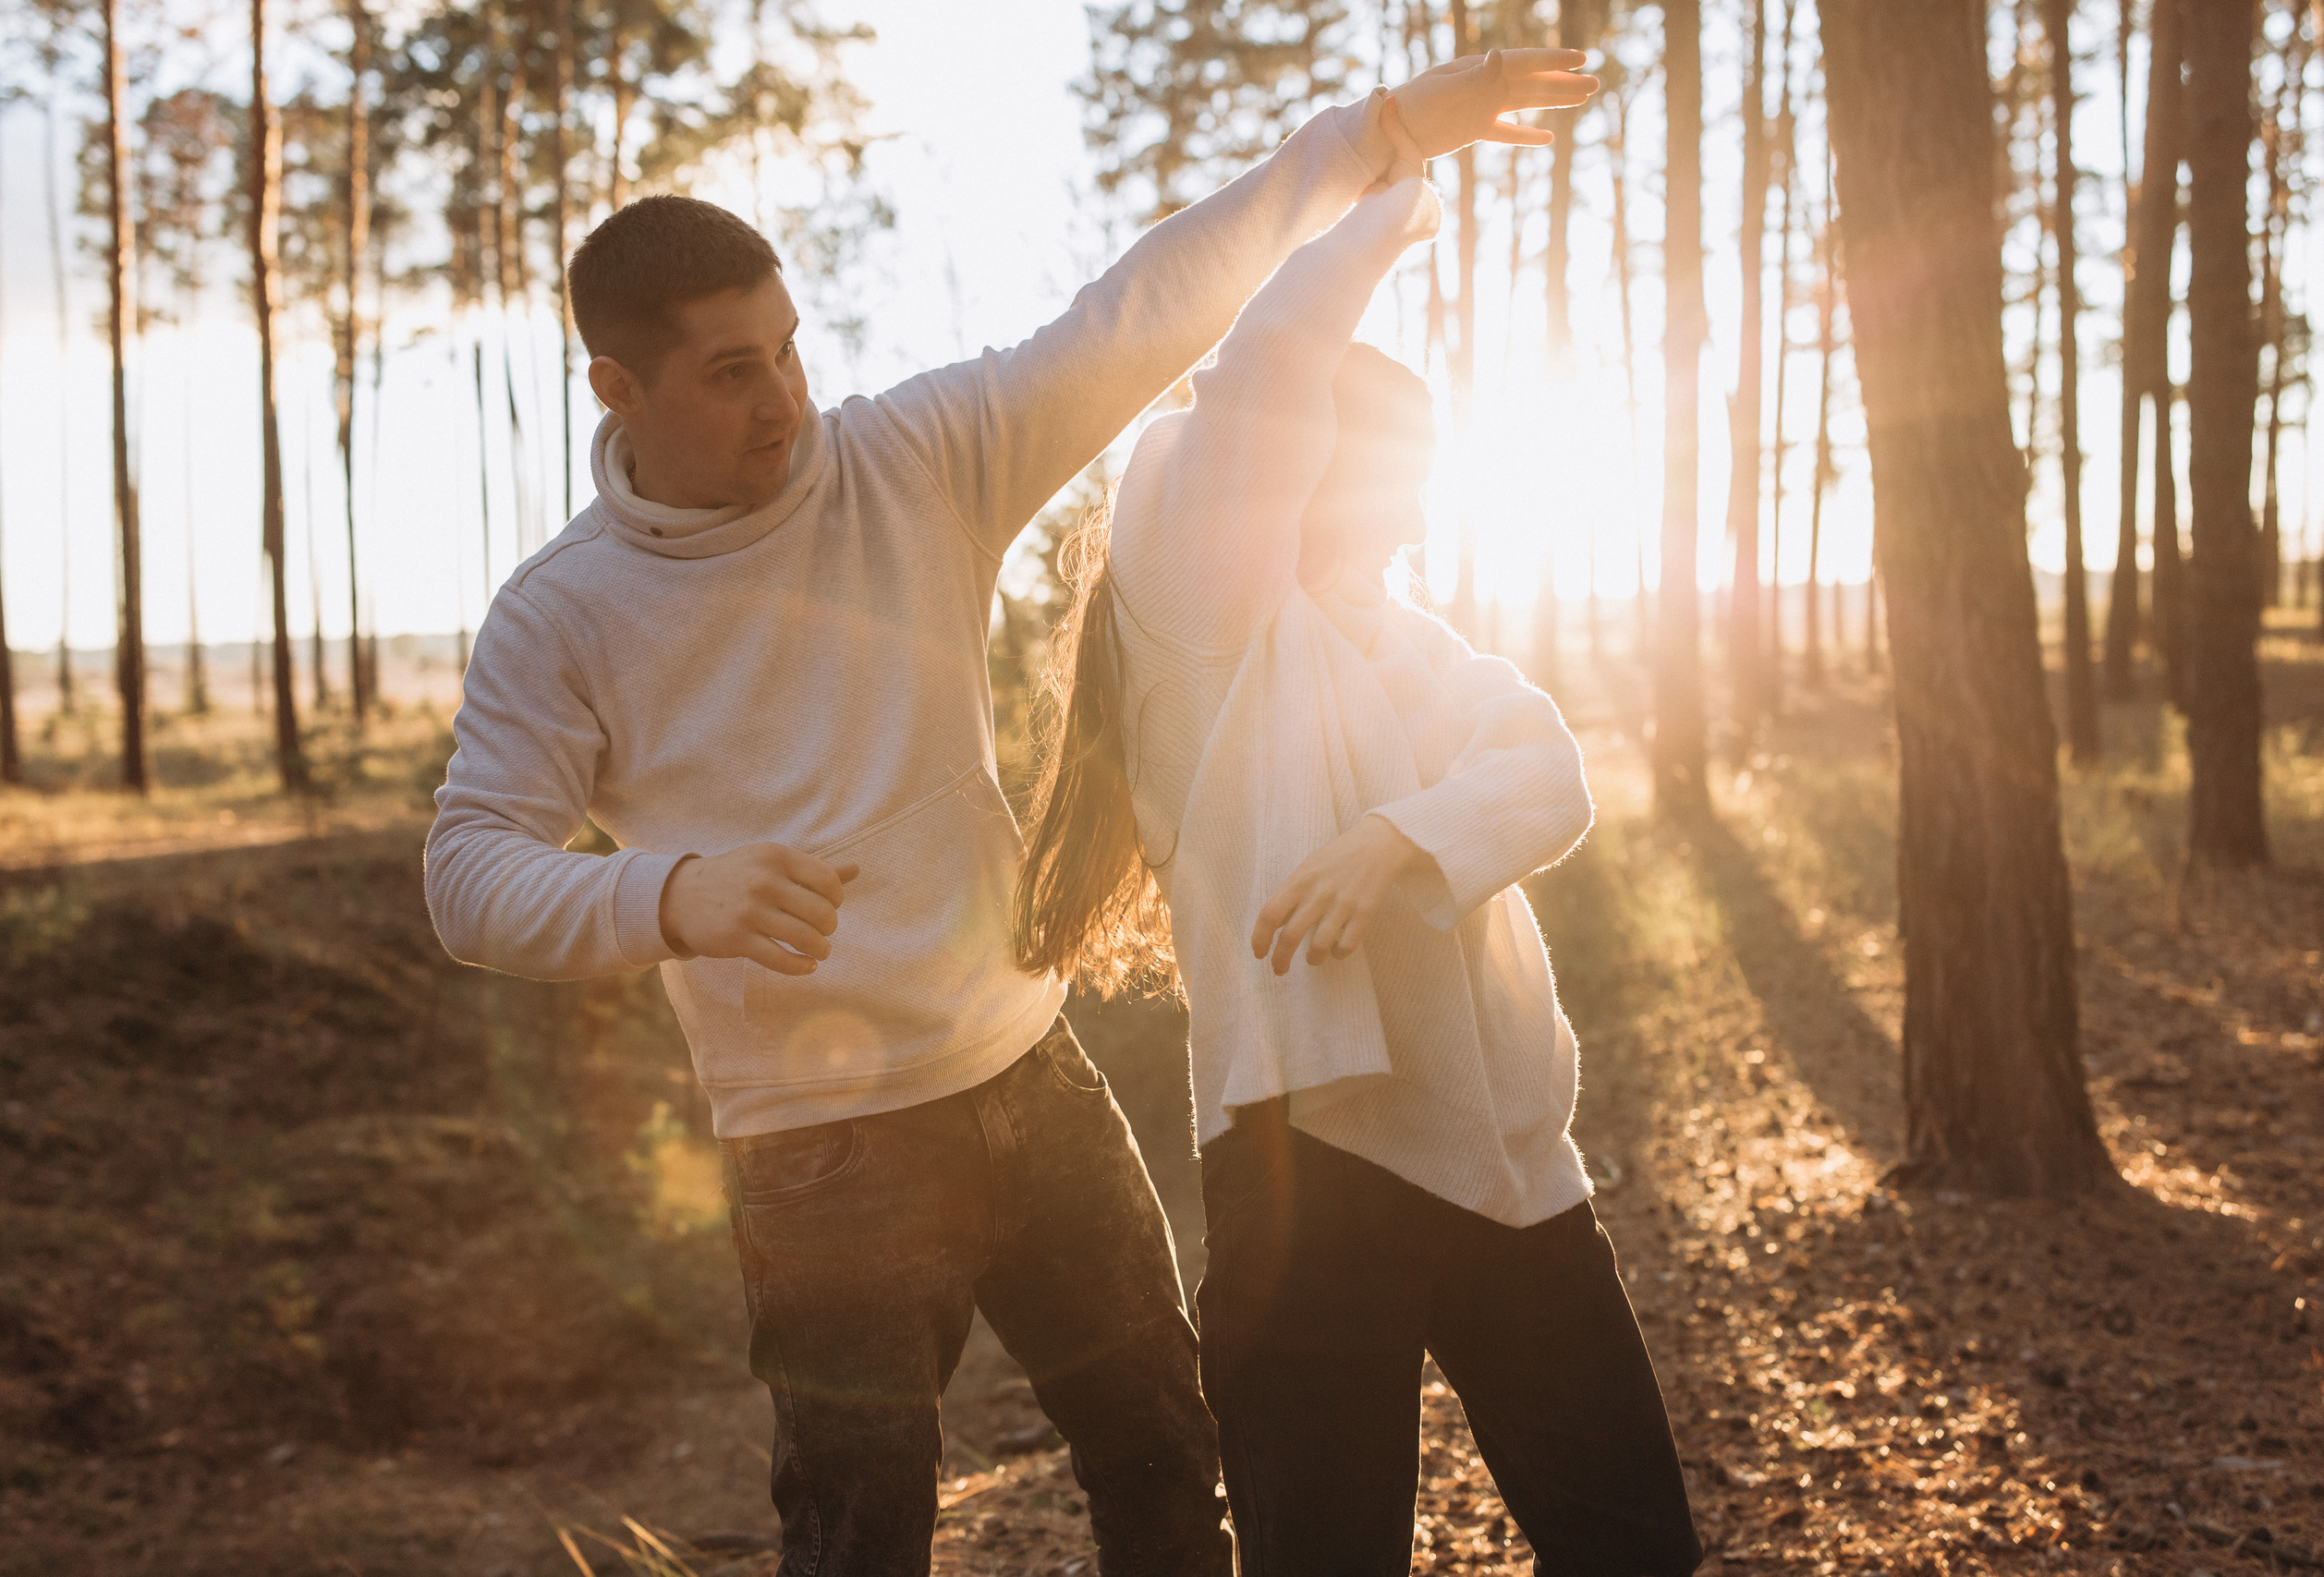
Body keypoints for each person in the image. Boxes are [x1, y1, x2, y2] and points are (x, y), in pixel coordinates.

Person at [422, 45, 1603, 1577]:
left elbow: (1140, 308)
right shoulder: (563, 616)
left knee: (1172, 1455)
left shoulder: (908, 459)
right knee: (860, 1536)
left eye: (787, 348)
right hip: (820, 1149)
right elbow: (469, 875)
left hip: (1027, 1072)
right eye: (730, 372)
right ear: (617, 389)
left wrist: (1373, 138)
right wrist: (669, 894)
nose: (785, 397)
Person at [1013, 118, 1702, 1576]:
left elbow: (1545, 773)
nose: (1418, 497)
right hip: (1306, 1168)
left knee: (1634, 1543)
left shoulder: (1426, 651)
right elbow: (1260, 372)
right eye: (1394, 462)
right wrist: (1384, 203)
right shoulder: (1204, 623)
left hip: (1512, 1160)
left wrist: (1398, 839)